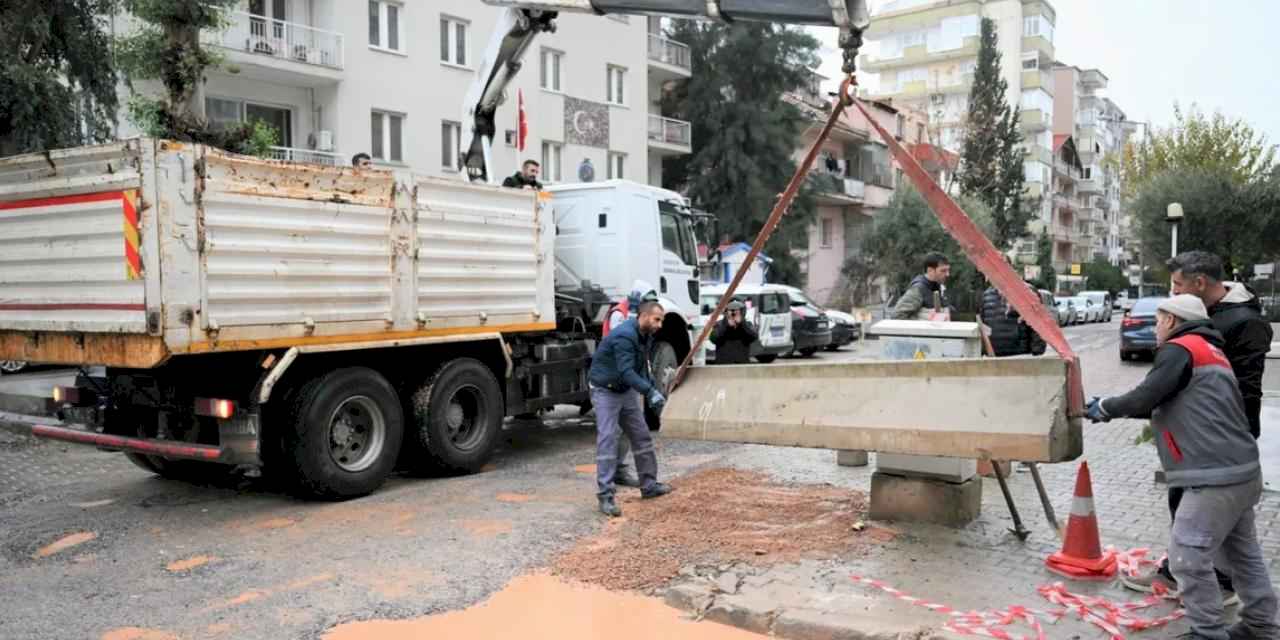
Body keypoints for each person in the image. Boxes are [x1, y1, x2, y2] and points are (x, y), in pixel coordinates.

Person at [1087, 294, 1277, 640]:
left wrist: (1106, 406)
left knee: (1187, 555)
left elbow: (1146, 395)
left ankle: (1207, 632)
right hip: (1242, 471)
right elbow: (1168, 400)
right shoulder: (1212, 352)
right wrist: (1109, 407)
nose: (1155, 328)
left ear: (1172, 321)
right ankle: (1262, 625)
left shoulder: (1182, 348)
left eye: (1157, 321)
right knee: (1243, 555)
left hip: (1214, 476)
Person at [1168, 251, 1273, 438]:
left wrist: (1240, 440)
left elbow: (1246, 389)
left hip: (1222, 436)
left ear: (1200, 283)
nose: (1174, 291)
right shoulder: (1199, 313)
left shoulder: (1248, 323)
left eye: (1178, 284)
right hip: (1195, 428)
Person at [587, 300, 674, 517]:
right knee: (608, 438)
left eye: (661, 320)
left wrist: (653, 388)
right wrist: (648, 392)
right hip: (605, 390)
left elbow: (640, 368)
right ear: (644, 316)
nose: (660, 325)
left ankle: (649, 485)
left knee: (641, 435)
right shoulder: (625, 336)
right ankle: (606, 496)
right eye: (657, 319)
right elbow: (626, 371)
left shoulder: (645, 335)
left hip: (623, 389)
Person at [602, 280, 659, 487]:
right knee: (615, 431)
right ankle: (612, 475)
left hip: (629, 380)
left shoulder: (636, 317)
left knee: (631, 430)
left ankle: (620, 470)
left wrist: (648, 378)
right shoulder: (620, 315)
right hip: (616, 382)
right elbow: (625, 352)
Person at [892, 253, 951, 320]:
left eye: (948, 270)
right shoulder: (918, 290)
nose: (947, 274)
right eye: (943, 271)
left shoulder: (939, 287)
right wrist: (923, 320)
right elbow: (896, 316)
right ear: (930, 270)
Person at [709, 300, 758, 365]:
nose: (734, 313)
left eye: (736, 311)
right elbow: (713, 339)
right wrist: (726, 325)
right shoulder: (719, 324)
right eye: (731, 310)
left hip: (742, 363)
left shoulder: (747, 324)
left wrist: (742, 324)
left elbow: (754, 337)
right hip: (723, 364)